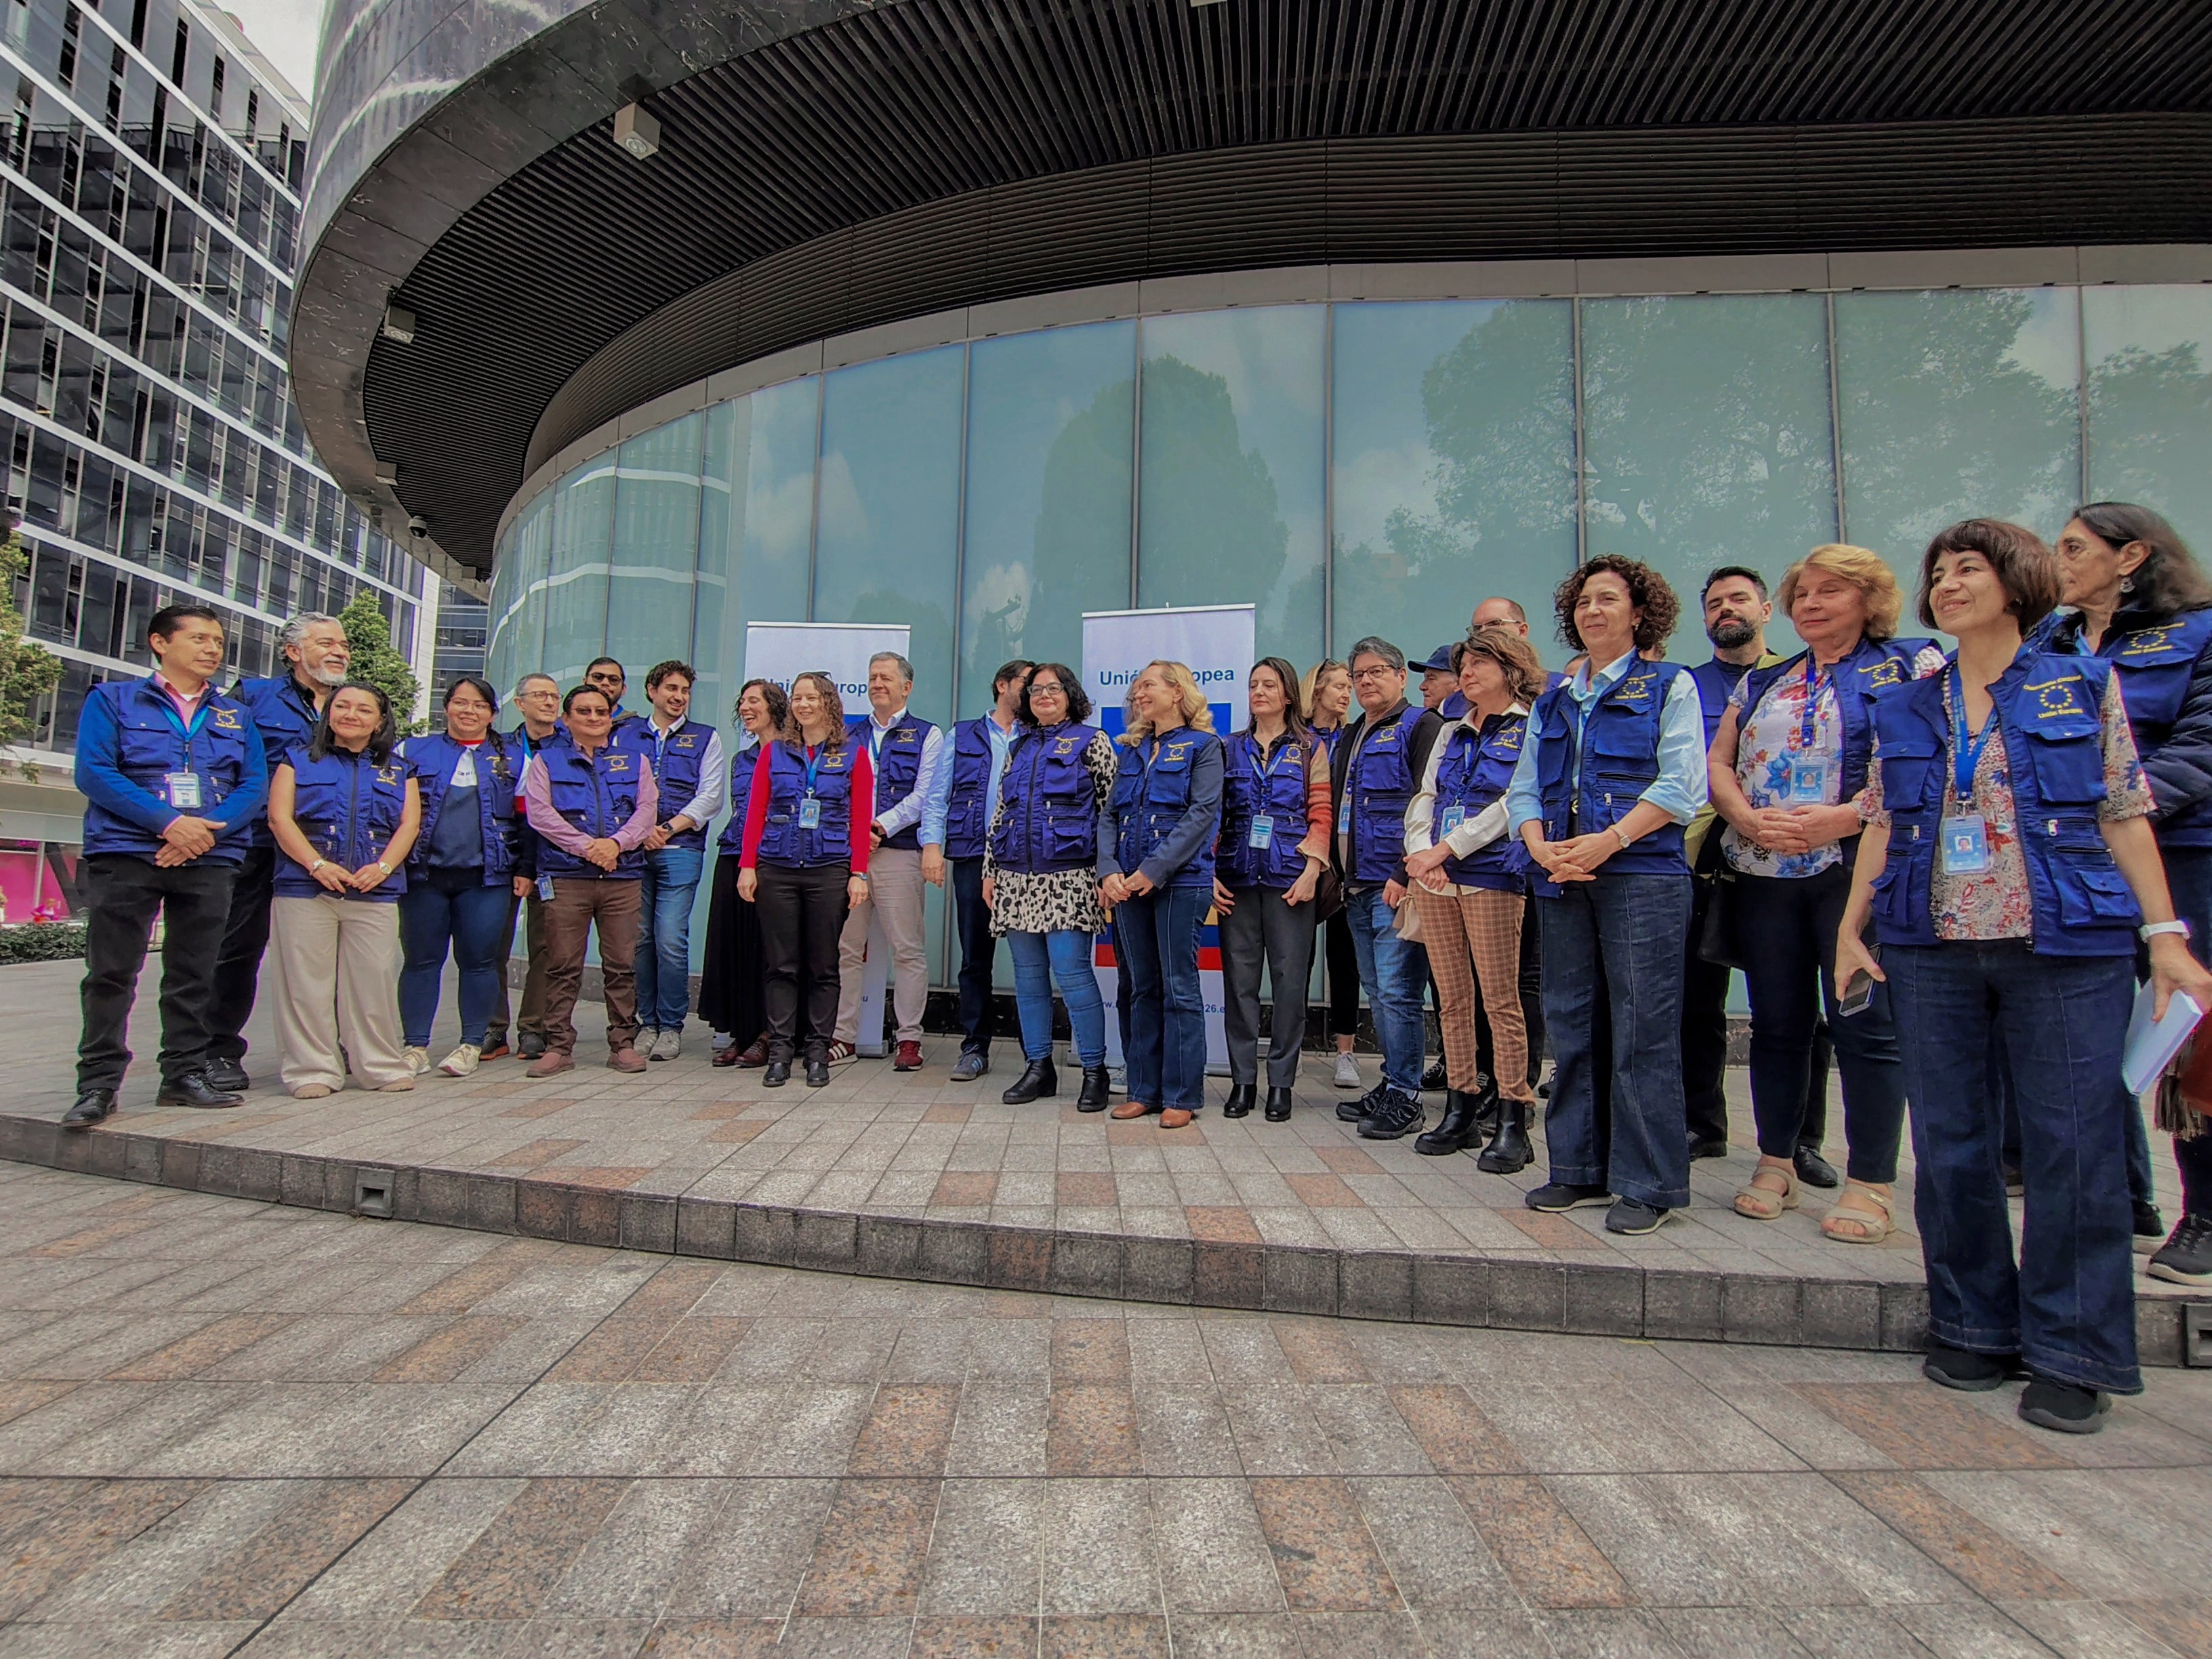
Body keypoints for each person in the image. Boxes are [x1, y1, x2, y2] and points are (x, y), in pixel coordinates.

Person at [1837, 518, 2212, 1433]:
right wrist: (1852, 927)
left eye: (1970, 568)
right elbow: (1884, 820)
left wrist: (2165, 934)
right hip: (1930, 946)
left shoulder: (2079, 684)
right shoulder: (1907, 703)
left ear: (2015, 581)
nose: (1950, 583)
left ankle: (2074, 1352)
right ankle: (1971, 1324)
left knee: (2072, 1149)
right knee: (1953, 1145)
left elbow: (2126, 812)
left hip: (2066, 946)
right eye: (1939, 572)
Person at [1709, 547, 1943, 1242]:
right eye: (1801, 593)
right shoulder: (1765, 679)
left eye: (1830, 592)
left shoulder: (1913, 667)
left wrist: (1846, 817)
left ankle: (1871, 1181)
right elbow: (1720, 760)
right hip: (1763, 872)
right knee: (1777, 1024)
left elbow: (1933, 760)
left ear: (1870, 600)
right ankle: (1775, 1161)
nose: (1810, 603)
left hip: (1857, 872)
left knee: (1865, 1028)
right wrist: (1744, 816)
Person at [1508, 556, 1708, 1235]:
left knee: (1642, 1031)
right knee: (1572, 1023)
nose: (1593, 611)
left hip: (1641, 877)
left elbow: (1682, 787)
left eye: (1608, 600)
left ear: (1639, 613)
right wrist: (1537, 844)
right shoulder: (1553, 700)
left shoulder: (1669, 685)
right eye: (1584, 602)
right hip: (1562, 873)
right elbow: (1525, 787)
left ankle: (1648, 1183)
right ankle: (1577, 1168)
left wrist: (1608, 840)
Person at [2052, 501, 2212, 1281]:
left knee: (2190, 1034)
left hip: (2182, 852)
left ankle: (2206, 1213)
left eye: (2076, 547)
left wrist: (2111, 806)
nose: (2060, 560)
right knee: (2085, 1027)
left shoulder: (2200, 633)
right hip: (2073, 863)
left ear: (2132, 555)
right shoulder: (2049, 641)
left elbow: (2200, 747)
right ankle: (2122, 1196)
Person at [63, 604, 268, 1127]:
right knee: (112, 972)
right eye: (200, 638)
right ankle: (99, 1084)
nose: (212, 650)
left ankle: (183, 1074)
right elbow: (95, 772)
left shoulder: (233, 714)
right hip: (129, 852)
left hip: (210, 857)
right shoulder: (114, 700)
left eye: (218, 642)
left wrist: (203, 832)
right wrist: (167, 823)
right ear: (160, 642)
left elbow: (253, 785)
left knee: (195, 971)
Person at [1684, 567, 1838, 1179]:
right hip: (1704, 861)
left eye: (1738, 599)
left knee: (1803, 1006)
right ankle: (1704, 1124)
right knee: (1698, 1001)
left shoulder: (1796, 678)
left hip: (1801, 861)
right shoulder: (1685, 685)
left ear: (1767, 608)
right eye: (1715, 603)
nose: (1727, 610)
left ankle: (1802, 1141)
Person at [1404, 627, 1545, 1166]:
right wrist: (1420, 853)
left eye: (1479, 662)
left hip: (1490, 875)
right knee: (1453, 999)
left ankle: (1513, 1115)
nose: (1466, 672)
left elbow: (1515, 802)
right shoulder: (1452, 730)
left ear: (1510, 668)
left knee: (1500, 1000)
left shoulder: (1530, 726)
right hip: (1436, 878)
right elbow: (1427, 794)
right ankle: (1460, 1108)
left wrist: (1446, 850)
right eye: (1463, 664)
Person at [203, 611, 349, 1092]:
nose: (339, 651)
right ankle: (217, 1049)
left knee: (327, 956)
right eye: (326, 642)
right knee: (237, 948)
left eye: (343, 644)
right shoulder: (252, 697)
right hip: (258, 845)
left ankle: (330, 1045)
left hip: (331, 848)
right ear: (293, 652)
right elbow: (220, 760)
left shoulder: (355, 703)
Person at [264, 681, 420, 1097]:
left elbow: (409, 825)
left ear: (380, 720)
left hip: (374, 890)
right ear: (328, 713)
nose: (351, 715)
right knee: (305, 984)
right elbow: (280, 820)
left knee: (374, 981)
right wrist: (316, 865)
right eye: (342, 706)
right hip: (305, 888)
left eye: (363, 710)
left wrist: (384, 867)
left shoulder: (399, 769)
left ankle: (380, 1065)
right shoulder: (297, 760)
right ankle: (311, 1070)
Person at [1330, 638, 1449, 1139]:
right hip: (1356, 886)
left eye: (1377, 672)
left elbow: (1432, 803)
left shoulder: (1422, 726)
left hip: (1395, 883)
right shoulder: (1353, 733)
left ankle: (1407, 1097)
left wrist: (1406, 874)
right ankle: (1393, 1082)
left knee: (1399, 991)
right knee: (1378, 990)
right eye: (1358, 676)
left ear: (1401, 677)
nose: (1366, 682)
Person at [983, 663, 1115, 1107]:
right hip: (1016, 878)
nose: (1043, 696)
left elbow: (1110, 813)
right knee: (1028, 978)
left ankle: (1095, 1071)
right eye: (1035, 690)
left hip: (1070, 879)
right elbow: (1001, 811)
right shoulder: (1018, 747)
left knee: (1074, 974)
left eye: (1052, 689)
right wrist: (990, 870)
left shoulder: (1092, 742)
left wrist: (1107, 872)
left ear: (1070, 695)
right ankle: (1039, 1067)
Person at [738, 671, 874, 1087]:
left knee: (823, 965)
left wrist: (859, 872)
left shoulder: (854, 753)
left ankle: (818, 1053)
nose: (803, 704)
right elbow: (756, 811)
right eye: (797, 698)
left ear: (829, 703)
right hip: (776, 866)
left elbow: (860, 817)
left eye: (811, 697)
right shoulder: (774, 752)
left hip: (829, 869)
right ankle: (780, 1052)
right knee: (781, 965)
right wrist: (747, 866)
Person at [1105, 661, 1225, 1128]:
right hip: (1128, 886)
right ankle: (1143, 1090)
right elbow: (1109, 817)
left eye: (1148, 686)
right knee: (1139, 988)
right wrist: (1108, 871)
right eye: (1136, 689)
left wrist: (1153, 871)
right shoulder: (1132, 750)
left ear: (1178, 693)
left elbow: (1201, 815)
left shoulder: (1204, 747)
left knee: (1179, 988)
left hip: (1181, 884)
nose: (1139, 695)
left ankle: (1182, 1095)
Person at [1214, 657, 1331, 1121]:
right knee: (1239, 987)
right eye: (1253, 685)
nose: (1259, 691)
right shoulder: (1228, 747)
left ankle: (1281, 1083)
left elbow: (1321, 814)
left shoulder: (1310, 748)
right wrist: (1209, 874)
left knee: (1289, 986)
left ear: (1288, 695)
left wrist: (1312, 869)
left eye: (1270, 684)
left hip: (1291, 884)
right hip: (1236, 881)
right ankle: (1243, 1083)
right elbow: (1212, 816)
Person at [395, 677, 529, 1078]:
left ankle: (471, 1043)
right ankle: (415, 1045)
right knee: (421, 960)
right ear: (447, 707)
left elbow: (529, 821)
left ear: (492, 713)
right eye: (460, 703)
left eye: (478, 705)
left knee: (481, 961)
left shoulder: (516, 758)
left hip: (488, 879)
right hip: (424, 876)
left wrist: (525, 869)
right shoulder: (412, 751)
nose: (468, 711)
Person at [523, 683, 659, 1077]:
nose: (594, 718)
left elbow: (647, 811)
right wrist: (589, 847)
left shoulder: (634, 762)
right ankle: (559, 1046)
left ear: (611, 716)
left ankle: (623, 1044)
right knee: (562, 963)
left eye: (601, 711)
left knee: (621, 963)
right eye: (584, 711)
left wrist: (615, 844)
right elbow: (541, 815)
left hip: (622, 876)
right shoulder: (547, 762)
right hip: (567, 876)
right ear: (567, 719)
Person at [926, 658, 1033, 1081]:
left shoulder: (1040, 735)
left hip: (1025, 860)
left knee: (1031, 960)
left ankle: (1036, 1050)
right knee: (975, 958)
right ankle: (974, 1047)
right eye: (1027, 684)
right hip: (973, 857)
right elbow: (938, 796)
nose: (1035, 692)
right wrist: (931, 847)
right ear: (1002, 685)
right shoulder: (963, 735)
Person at [833, 653, 939, 1071]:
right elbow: (835, 788)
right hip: (850, 856)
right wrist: (856, 834)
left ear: (906, 688)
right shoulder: (847, 734)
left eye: (886, 678)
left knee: (908, 950)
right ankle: (843, 1035)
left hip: (899, 852)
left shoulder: (928, 734)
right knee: (847, 948)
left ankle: (909, 1039)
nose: (878, 683)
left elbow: (925, 795)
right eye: (873, 676)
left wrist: (878, 827)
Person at [619, 661, 726, 1061]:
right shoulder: (625, 734)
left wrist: (665, 829)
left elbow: (710, 797)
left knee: (670, 938)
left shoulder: (705, 738)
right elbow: (616, 791)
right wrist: (636, 833)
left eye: (684, 691)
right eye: (671, 689)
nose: (678, 697)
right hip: (631, 852)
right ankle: (647, 1023)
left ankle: (672, 1025)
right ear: (652, 690)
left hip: (681, 850)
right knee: (641, 939)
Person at [701, 678, 787, 1066]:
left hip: (776, 859)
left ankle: (771, 1032)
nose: (746, 708)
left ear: (774, 706)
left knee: (769, 950)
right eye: (743, 701)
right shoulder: (742, 759)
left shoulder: (795, 754)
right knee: (734, 944)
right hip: (734, 855)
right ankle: (741, 1031)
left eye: (755, 701)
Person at [486, 672, 563, 1061]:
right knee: (492, 947)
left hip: (552, 860)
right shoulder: (499, 748)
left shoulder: (570, 746)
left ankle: (534, 1027)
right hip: (502, 858)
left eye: (554, 696)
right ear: (520, 703)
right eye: (540, 696)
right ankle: (492, 1027)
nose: (549, 702)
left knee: (545, 948)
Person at [1303, 658, 1365, 1092]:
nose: (1347, 693)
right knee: (1298, 959)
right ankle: (1292, 1046)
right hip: (1305, 862)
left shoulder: (1355, 736)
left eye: (1350, 686)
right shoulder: (1299, 738)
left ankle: (1345, 1052)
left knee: (1346, 960)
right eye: (1339, 686)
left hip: (1347, 864)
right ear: (1316, 690)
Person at [583, 657, 638, 729]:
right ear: (585, 682)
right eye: (598, 677)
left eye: (613, 680)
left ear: (623, 689)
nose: (605, 683)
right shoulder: (567, 726)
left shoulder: (638, 730)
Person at [1416, 644, 1459, 713]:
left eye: (1431, 679)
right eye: (1425, 678)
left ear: (1458, 683)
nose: (1422, 687)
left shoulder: (1471, 720)